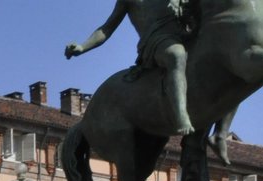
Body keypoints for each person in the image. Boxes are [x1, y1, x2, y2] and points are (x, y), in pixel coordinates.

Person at [65, 0, 195, 136]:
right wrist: (82, 46)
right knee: (176, 55)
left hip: (187, 35)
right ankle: (181, 115)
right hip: (159, 40)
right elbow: (106, 28)